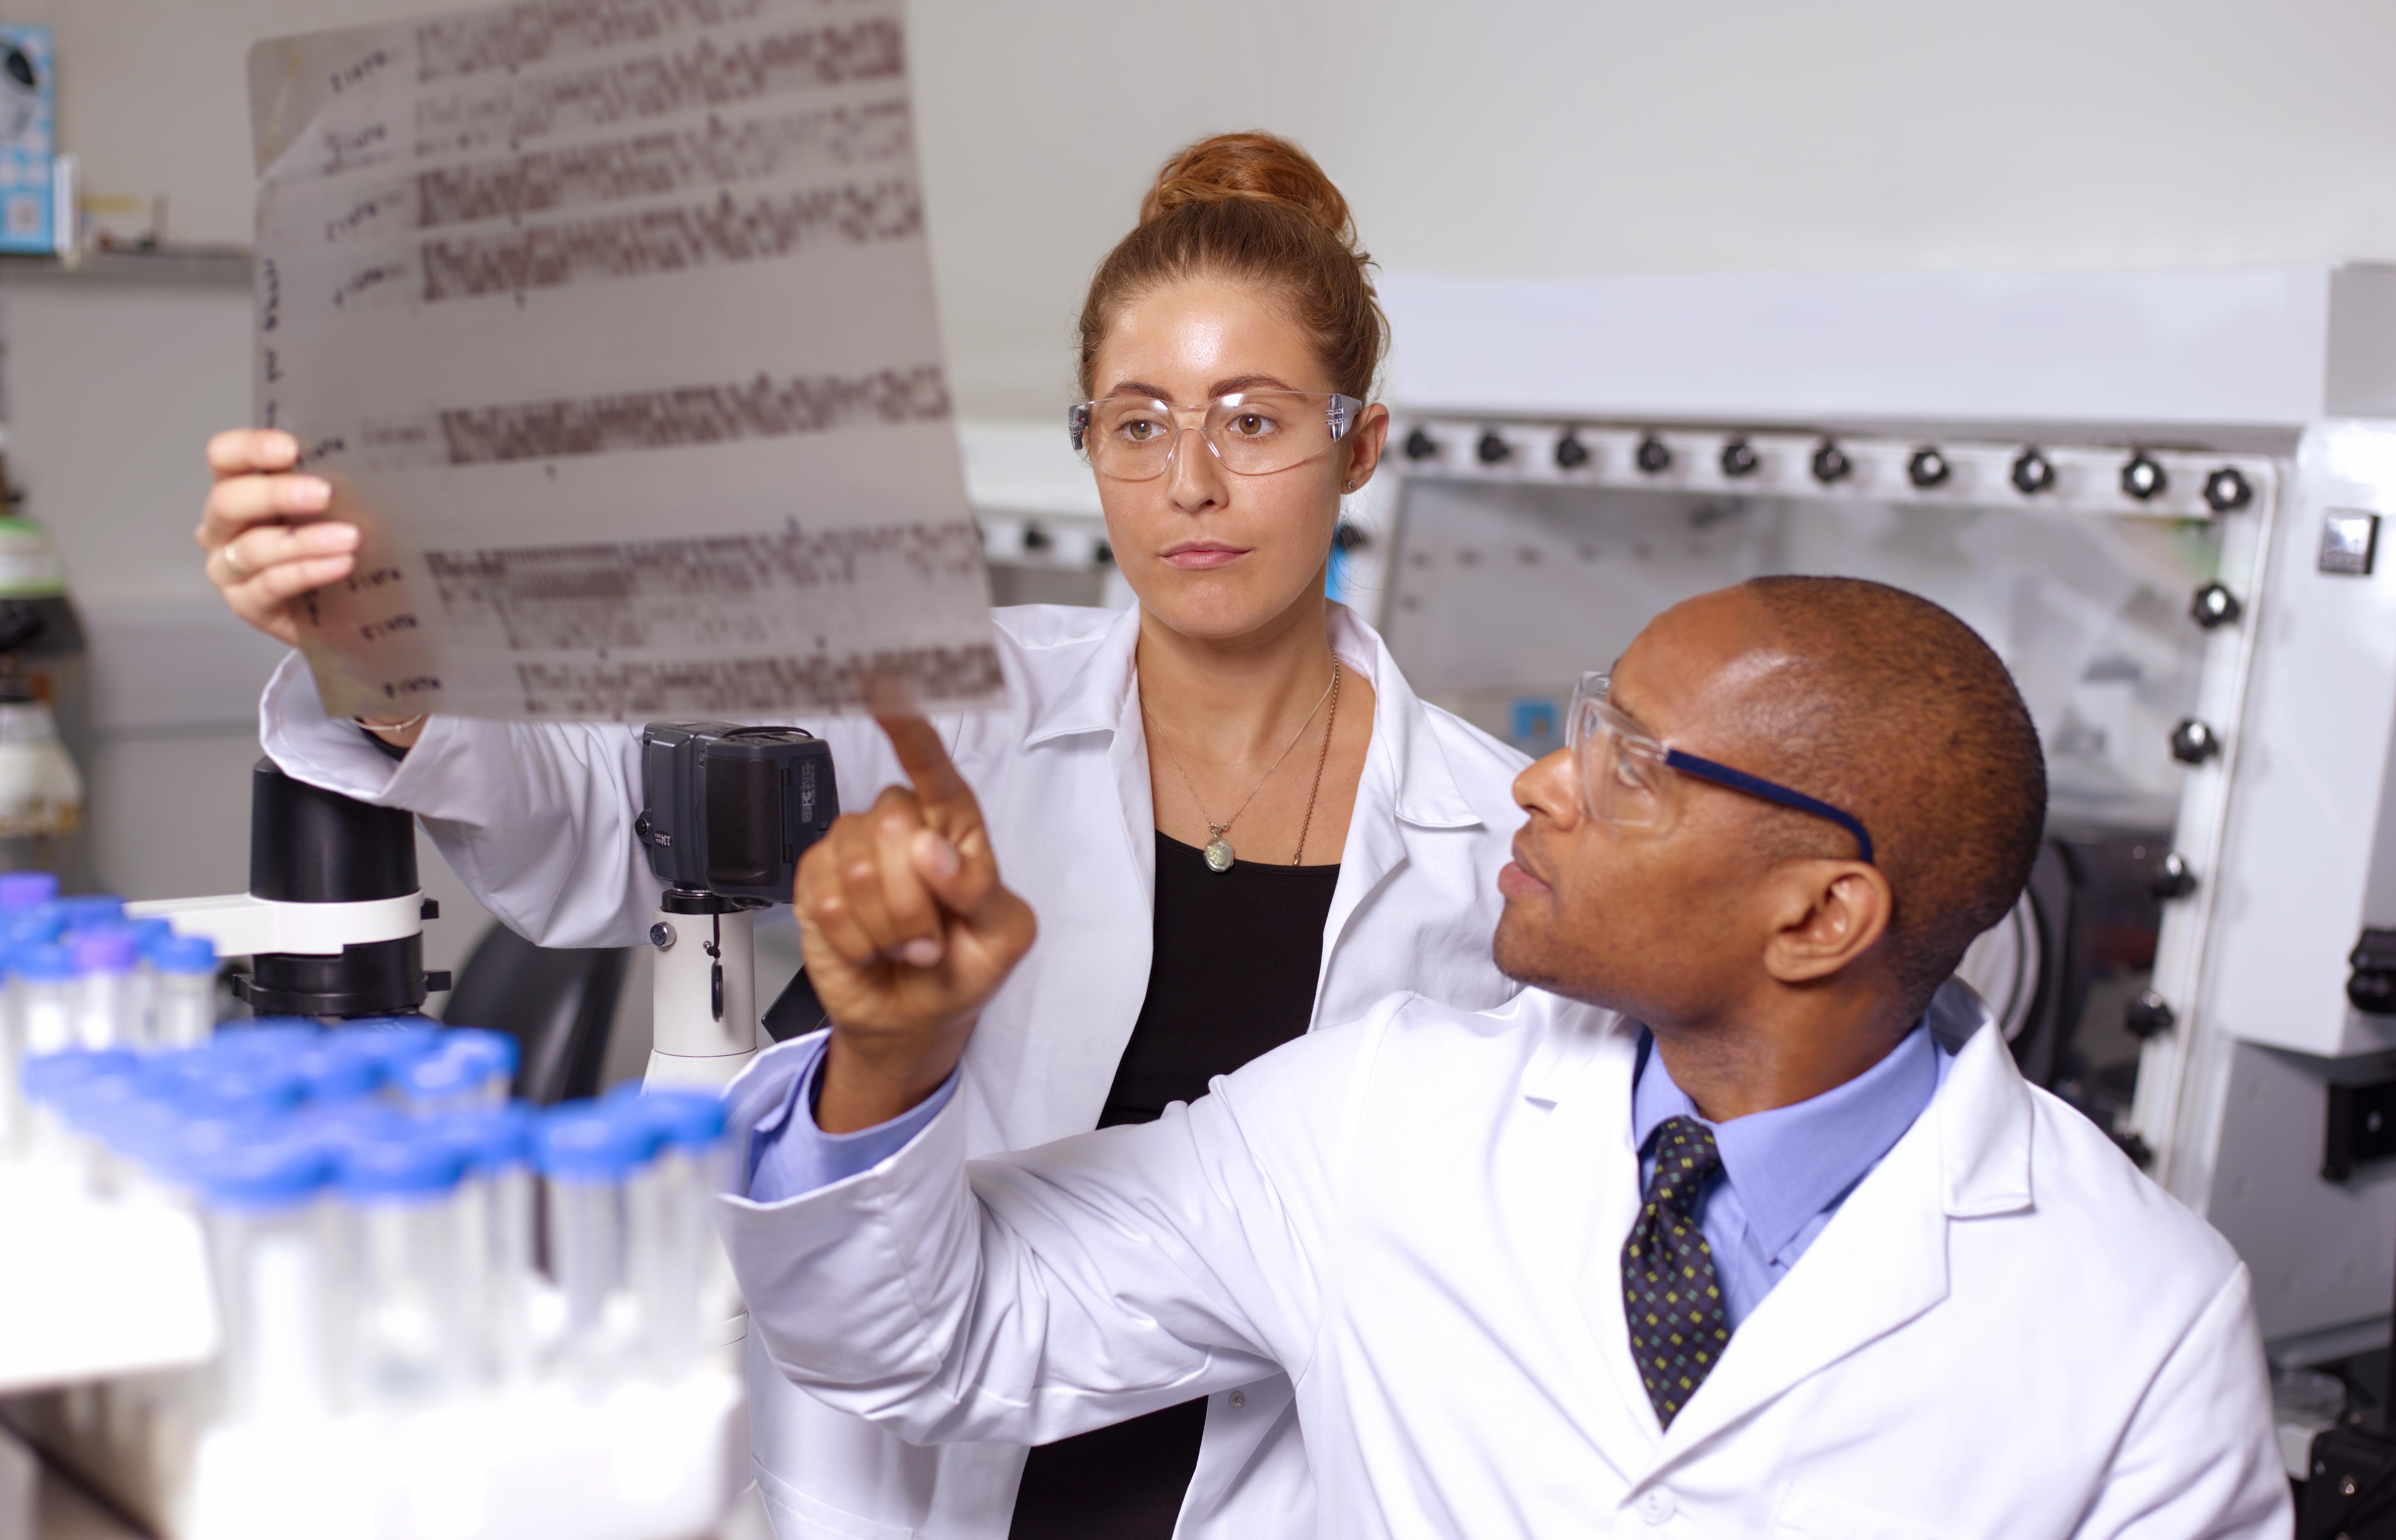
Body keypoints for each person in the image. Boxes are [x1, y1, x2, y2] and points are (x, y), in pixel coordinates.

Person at [194, 133, 1530, 1539]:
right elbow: (610, 804)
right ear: (1090, 447)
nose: (1190, 482)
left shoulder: (1491, 842)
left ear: (1357, 443)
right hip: (913, 1471)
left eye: (1250, 421)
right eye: (1138, 423)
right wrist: (374, 645)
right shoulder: (954, 710)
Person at [717, 576, 2290, 1539]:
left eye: (1636, 764)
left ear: (1820, 915)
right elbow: (924, 1335)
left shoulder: (2136, 1319)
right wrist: (892, 1055)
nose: (1543, 780)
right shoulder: (1375, 1118)